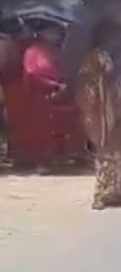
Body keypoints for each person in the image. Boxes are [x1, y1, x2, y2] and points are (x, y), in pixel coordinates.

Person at [77, 19, 121, 209]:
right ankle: (105, 193)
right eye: (113, 35)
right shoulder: (95, 58)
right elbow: (87, 83)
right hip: (103, 113)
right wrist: (111, 75)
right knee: (107, 152)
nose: (117, 39)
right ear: (103, 37)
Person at [14, 20, 83, 171]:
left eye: (58, 33)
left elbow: (61, 70)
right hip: (39, 96)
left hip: (58, 95)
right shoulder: (32, 52)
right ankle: (40, 161)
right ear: (42, 33)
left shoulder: (54, 51)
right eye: (53, 32)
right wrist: (54, 84)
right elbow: (32, 73)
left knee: (60, 126)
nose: (57, 35)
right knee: (41, 129)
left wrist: (64, 84)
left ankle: (59, 157)